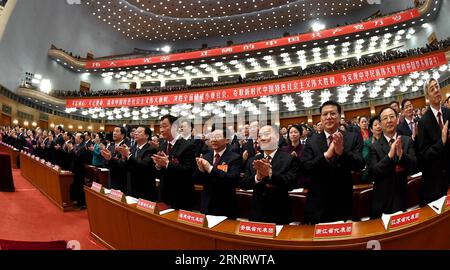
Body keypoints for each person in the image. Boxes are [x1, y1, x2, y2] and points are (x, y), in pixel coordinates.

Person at [301, 100, 365, 224]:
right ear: (320, 118)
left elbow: (359, 164)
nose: (329, 117)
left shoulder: (352, 137)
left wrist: (342, 152)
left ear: (340, 116)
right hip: (318, 204)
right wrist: (325, 156)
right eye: (325, 114)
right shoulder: (311, 141)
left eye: (332, 113)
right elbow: (305, 169)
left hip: (343, 201)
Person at [240, 125, 300, 225]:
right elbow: (243, 184)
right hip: (256, 214)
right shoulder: (252, 160)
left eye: (266, 134)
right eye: (260, 136)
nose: (262, 138)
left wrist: (270, 174)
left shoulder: (289, 159)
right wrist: (257, 178)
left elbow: (291, 183)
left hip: (280, 214)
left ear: (277, 137)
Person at [368, 107, 418, 218]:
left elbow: (415, 166)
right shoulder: (374, 147)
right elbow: (373, 173)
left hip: (404, 197)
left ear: (397, 120)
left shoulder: (406, 140)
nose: (389, 120)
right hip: (383, 201)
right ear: (380, 124)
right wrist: (389, 156)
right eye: (385, 118)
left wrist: (401, 155)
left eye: (392, 117)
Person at [193, 129, 243, 218]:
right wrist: (200, 170)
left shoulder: (235, 158)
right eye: (212, 137)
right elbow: (196, 179)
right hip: (207, 204)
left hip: (225, 205)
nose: (214, 139)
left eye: (218, 136)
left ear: (227, 140)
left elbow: (232, 179)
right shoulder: (206, 156)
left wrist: (210, 168)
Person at [151, 115, 196, 210]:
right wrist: (158, 166)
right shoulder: (162, 146)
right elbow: (159, 173)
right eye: (160, 127)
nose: (161, 130)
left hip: (181, 195)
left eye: (164, 126)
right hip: (164, 195)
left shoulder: (188, 145)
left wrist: (167, 164)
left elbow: (189, 171)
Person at [416, 78, 450, 206]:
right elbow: (424, 155)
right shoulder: (423, 122)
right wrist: (441, 142)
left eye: (437, 87)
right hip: (436, 181)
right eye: (432, 89)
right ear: (427, 96)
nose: (436, 90)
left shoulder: (448, 113)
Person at [116, 126, 157, 201]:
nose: (136, 133)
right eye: (135, 132)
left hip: (144, 187)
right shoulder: (132, 148)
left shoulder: (151, 149)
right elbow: (126, 167)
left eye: (139, 132)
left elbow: (144, 166)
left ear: (147, 136)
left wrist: (128, 155)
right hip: (130, 186)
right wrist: (123, 157)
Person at [100, 126, 130, 192]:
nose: (114, 133)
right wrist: (108, 159)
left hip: (122, 179)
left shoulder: (126, 146)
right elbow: (105, 161)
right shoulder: (111, 146)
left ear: (122, 135)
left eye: (117, 131)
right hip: (111, 177)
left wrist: (111, 159)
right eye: (114, 131)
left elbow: (123, 164)